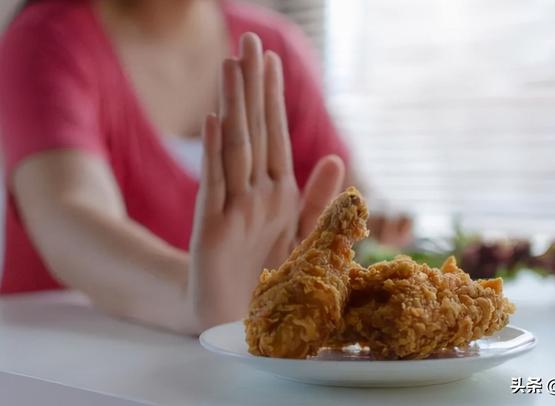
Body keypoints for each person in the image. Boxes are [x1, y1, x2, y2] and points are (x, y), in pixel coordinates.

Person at [0, 0, 411, 333]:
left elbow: (347, 196)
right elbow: (69, 212)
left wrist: (376, 218)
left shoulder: (273, 45)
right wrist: (194, 294)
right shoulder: (45, 39)